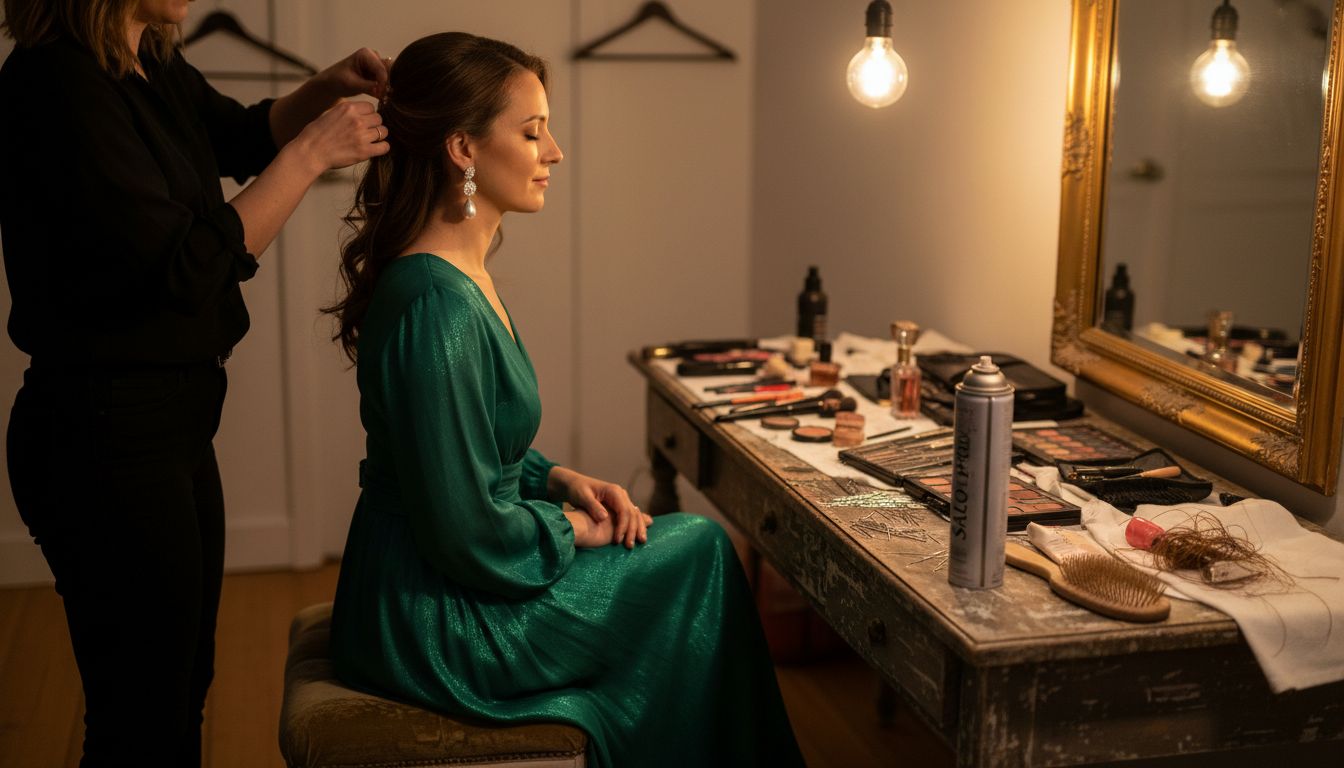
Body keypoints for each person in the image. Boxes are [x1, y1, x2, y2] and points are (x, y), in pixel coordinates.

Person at [324, 31, 805, 768]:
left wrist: (555, 478)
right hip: (432, 613)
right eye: (532, 131)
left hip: (443, 576)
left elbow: (468, 449)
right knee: (700, 552)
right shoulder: (436, 304)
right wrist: (574, 527)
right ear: (463, 148)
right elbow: (464, 530)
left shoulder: (458, 276)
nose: (554, 152)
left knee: (690, 551)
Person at [0, 0, 391, 764]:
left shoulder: (144, 58)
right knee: (140, 718)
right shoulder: (56, 86)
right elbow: (183, 268)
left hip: (169, 425)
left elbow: (239, 136)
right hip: (103, 437)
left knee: (180, 690)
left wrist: (326, 89)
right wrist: (312, 154)